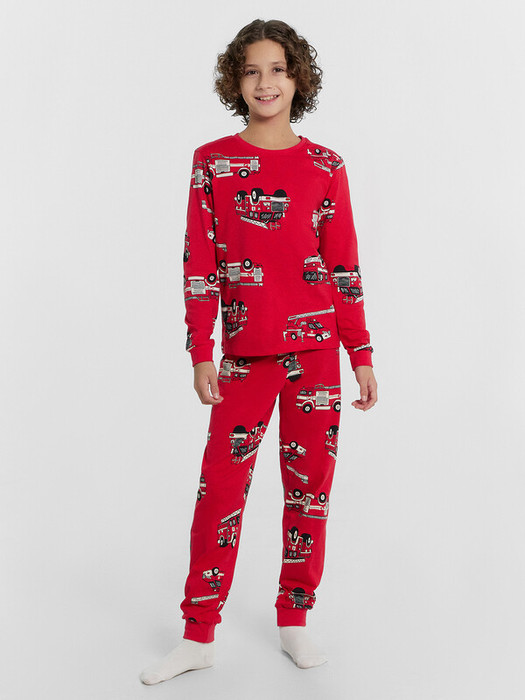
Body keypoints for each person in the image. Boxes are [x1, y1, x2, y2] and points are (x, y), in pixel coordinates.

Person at [140, 17, 378, 685]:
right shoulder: (211, 163)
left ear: (297, 79)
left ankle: (294, 619)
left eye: (277, 69)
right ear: (235, 82)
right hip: (244, 358)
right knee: (220, 490)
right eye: (251, 71)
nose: (264, 82)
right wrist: (201, 352)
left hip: (317, 356)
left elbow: (343, 266)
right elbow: (199, 265)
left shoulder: (325, 167)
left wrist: (360, 352)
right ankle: (198, 633)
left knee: (310, 492)